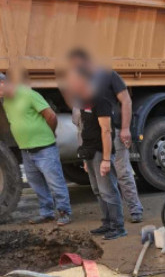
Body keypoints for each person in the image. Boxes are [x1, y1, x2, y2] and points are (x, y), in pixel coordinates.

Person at [68, 49, 143, 223]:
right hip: (93, 140)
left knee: (123, 172)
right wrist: (84, 152)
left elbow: (126, 100)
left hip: (113, 132)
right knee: (100, 183)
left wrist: (125, 128)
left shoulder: (109, 75)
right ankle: (110, 218)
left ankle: (135, 209)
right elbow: (80, 118)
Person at [0, 72, 72, 225]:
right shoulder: (5, 101)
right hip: (26, 149)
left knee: (55, 182)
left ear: (3, 83)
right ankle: (47, 213)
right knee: (36, 184)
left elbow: (51, 116)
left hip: (44, 147)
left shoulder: (28, 94)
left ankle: (64, 213)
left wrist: (49, 134)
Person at [77, 75, 127, 240]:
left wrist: (106, 160)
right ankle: (107, 223)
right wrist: (85, 159)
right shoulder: (84, 102)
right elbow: (85, 129)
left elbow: (106, 131)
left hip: (100, 152)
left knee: (108, 191)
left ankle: (118, 227)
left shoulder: (101, 101)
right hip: (89, 152)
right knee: (98, 191)